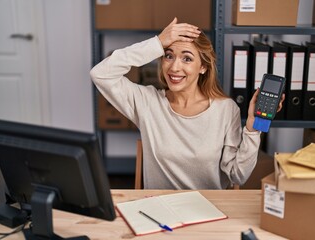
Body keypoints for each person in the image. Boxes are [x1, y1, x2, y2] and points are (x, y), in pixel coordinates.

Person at [90, 18, 284, 189]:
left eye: (187, 58)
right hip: (159, 212)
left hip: (207, 211)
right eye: (168, 55)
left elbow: (238, 176)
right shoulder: (146, 102)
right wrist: (157, 43)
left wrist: (252, 128)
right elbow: (100, 73)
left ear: (203, 67)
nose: (174, 67)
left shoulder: (226, 110)